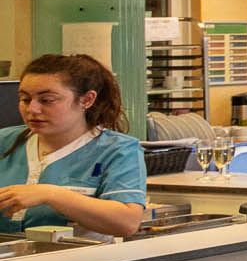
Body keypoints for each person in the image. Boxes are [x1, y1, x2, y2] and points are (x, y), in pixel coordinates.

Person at [0, 53, 147, 238]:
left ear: (86, 100)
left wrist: (50, 194)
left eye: (47, 100)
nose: (32, 109)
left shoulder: (118, 150)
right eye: (25, 99)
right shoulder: (5, 141)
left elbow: (126, 222)